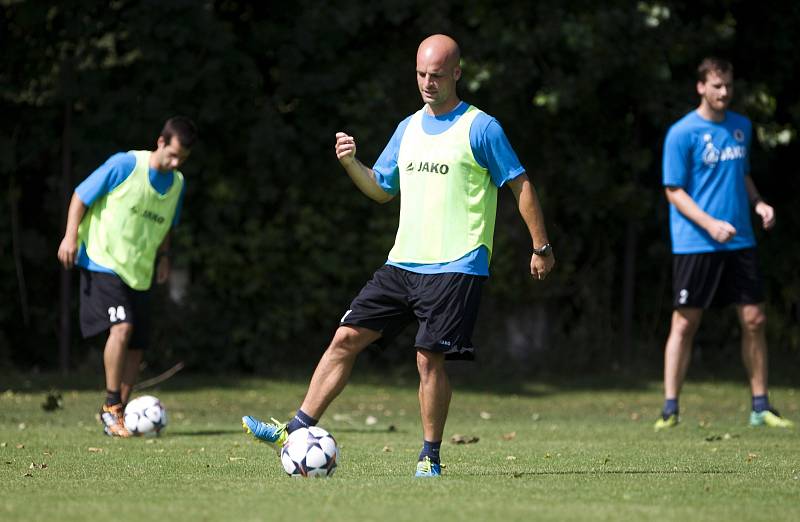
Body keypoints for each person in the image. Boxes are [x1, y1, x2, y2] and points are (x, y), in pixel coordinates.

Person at [243, 34, 555, 476]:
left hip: (457, 264)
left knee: (428, 358)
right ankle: (293, 428)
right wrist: (352, 163)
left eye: (438, 75)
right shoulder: (407, 128)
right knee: (344, 339)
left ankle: (430, 456)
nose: (428, 83)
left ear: (458, 74)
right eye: (422, 75)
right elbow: (382, 189)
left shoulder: (481, 128)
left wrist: (540, 246)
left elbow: (520, 184)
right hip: (402, 263)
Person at [654, 58, 793, 430]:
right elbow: (674, 191)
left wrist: (759, 203)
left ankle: (760, 406)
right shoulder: (681, 133)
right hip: (695, 243)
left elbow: (742, 174)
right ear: (701, 87)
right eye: (717, 86)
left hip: (740, 241)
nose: (724, 92)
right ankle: (670, 409)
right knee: (685, 323)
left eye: (729, 85)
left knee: (755, 319)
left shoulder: (741, 127)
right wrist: (710, 224)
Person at [57, 116, 196, 437]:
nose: (176, 163)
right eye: (172, 155)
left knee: (137, 344)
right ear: (160, 142)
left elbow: (166, 225)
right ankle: (110, 407)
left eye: (183, 159)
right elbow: (81, 195)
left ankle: (121, 410)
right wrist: (70, 236)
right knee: (122, 327)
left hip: (140, 269)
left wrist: (163, 257)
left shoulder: (177, 183)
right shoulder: (125, 165)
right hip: (103, 259)